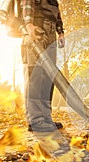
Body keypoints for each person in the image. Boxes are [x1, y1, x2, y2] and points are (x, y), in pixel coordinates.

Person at [21, 0, 65, 132]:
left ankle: (46, 118)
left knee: (48, 77)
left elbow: (57, 15)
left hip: (51, 32)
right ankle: (35, 120)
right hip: (37, 29)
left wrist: (60, 32)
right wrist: (29, 25)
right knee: (35, 75)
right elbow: (27, 4)